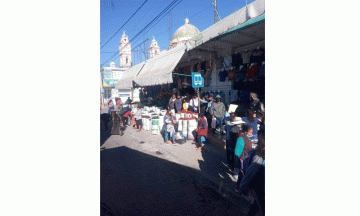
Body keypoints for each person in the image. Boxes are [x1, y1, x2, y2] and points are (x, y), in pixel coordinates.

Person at [239, 129, 265, 216]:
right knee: (261, 207)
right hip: (259, 187)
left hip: (261, 186)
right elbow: (249, 173)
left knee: (257, 206)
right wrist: (243, 187)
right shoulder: (258, 156)